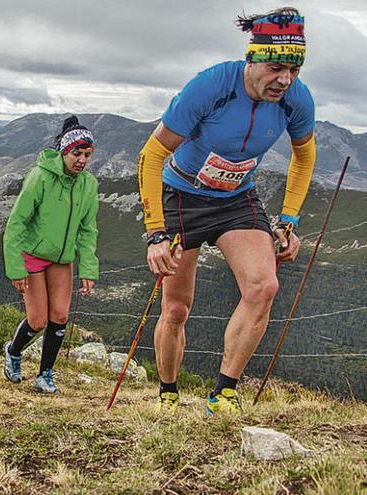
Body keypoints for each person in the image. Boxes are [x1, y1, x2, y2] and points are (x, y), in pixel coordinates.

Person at [136, 8, 315, 415]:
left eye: (294, 70)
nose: (284, 80)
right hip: (182, 195)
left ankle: (224, 392)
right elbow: (151, 155)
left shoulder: (295, 100)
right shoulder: (210, 86)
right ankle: (167, 393)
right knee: (177, 308)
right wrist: (156, 233)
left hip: (237, 198)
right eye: (275, 68)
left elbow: (304, 159)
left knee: (263, 286)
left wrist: (288, 220)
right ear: (252, 59)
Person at [2, 115, 100, 394]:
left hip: (62, 257)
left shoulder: (88, 185)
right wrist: (15, 268)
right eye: (76, 153)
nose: (82, 160)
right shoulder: (40, 177)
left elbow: (87, 229)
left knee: (60, 315)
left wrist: (89, 269)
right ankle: (13, 350)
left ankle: (45, 375)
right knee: (38, 320)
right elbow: (16, 223)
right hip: (32, 254)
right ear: (64, 151)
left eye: (87, 154)